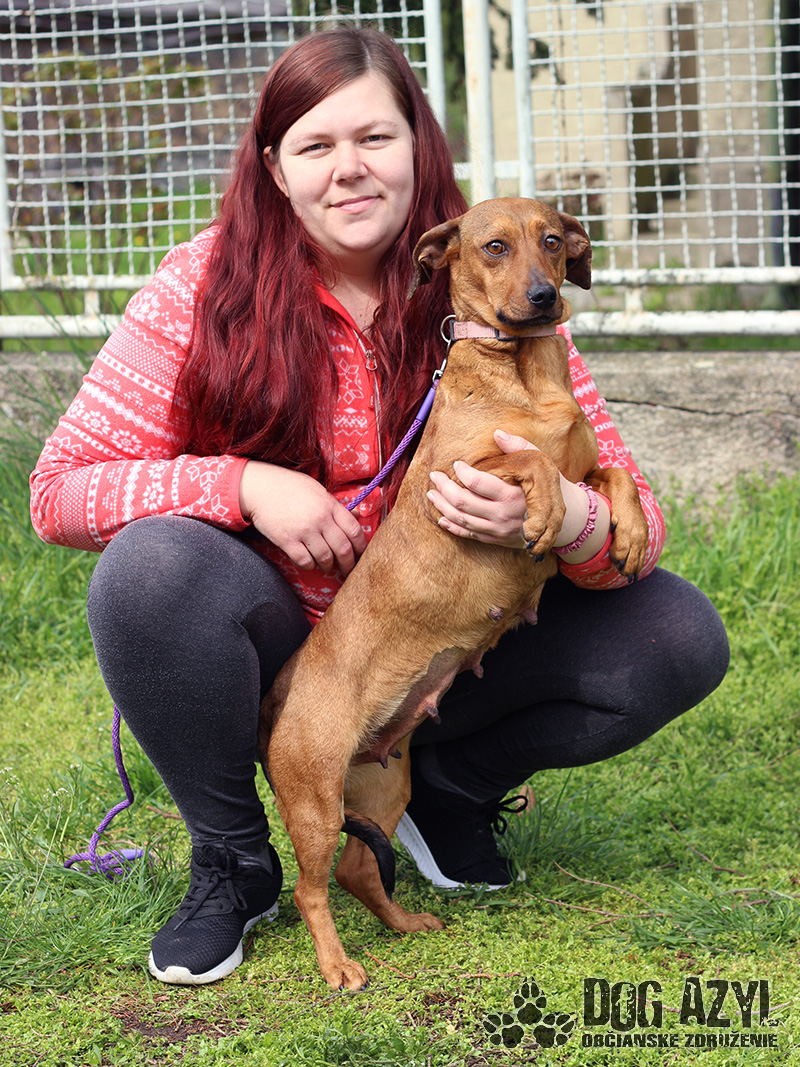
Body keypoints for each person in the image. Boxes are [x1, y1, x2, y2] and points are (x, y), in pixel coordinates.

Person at [30, 26, 729, 987]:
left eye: (376, 138)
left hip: (455, 632)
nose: (349, 168)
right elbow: (58, 490)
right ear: (275, 168)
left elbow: (633, 517)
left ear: (418, 145)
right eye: (316, 145)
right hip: (293, 648)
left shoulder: (494, 277)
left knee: (677, 634)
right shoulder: (201, 286)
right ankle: (233, 859)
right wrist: (243, 484)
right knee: (151, 570)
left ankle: (447, 790)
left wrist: (567, 515)